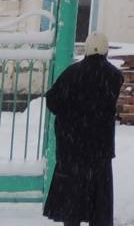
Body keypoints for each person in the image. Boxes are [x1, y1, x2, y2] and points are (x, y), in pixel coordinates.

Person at [43, 32, 124, 225]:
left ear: (86, 50)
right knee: (99, 201)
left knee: (73, 199)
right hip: (100, 149)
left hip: (73, 148)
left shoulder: (72, 73)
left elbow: (53, 101)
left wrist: (70, 115)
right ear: (106, 51)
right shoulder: (114, 76)